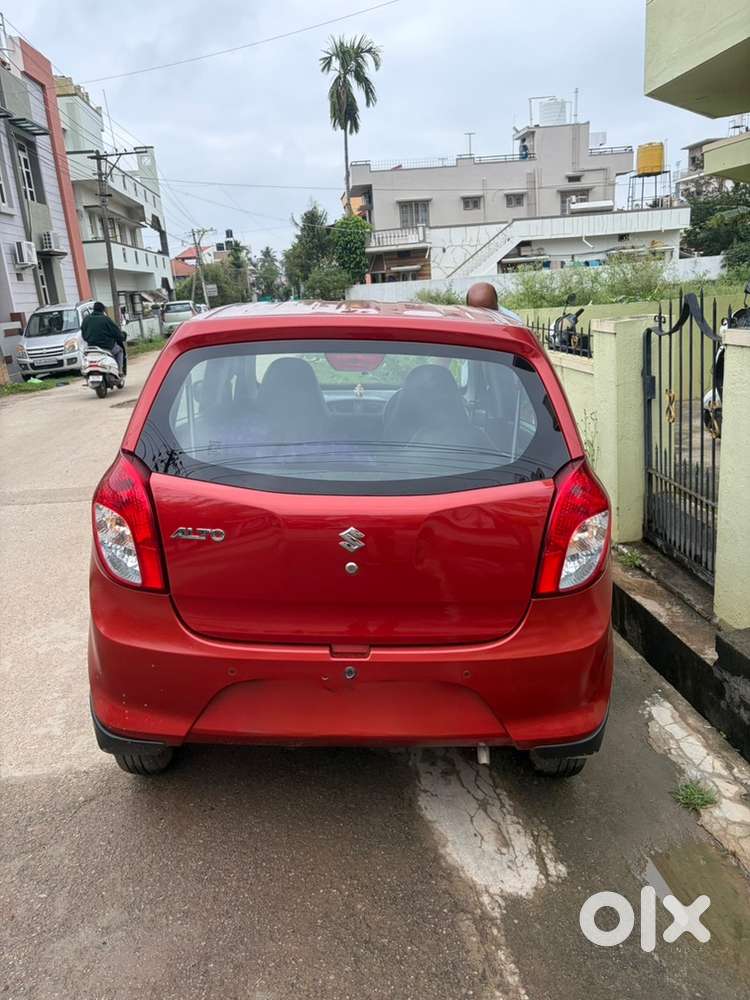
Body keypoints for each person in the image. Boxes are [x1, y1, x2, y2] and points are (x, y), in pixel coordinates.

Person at [81, 302, 126, 375]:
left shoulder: (86, 320)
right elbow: (116, 332)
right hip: (107, 347)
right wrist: (122, 336)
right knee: (120, 350)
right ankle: (119, 371)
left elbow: (84, 335)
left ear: (94, 309)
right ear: (103, 310)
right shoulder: (106, 319)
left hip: (92, 348)